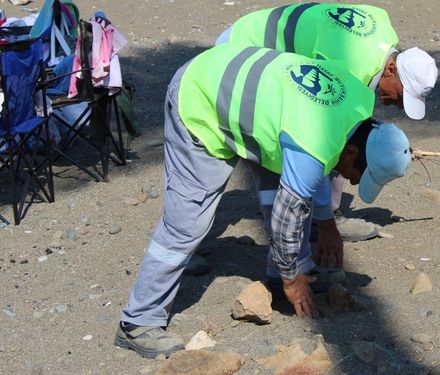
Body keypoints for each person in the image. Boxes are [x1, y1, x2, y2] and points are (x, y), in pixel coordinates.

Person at [114, 43, 412, 358]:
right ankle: (137, 321)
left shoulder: (361, 105)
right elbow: (287, 216)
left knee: (286, 193)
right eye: (358, 175)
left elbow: (307, 186)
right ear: (351, 151)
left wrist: (325, 229)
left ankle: (283, 275)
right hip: (201, 96)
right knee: (187, 223)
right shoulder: (313, 141)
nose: (352, 182)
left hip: (254, 98)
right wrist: (292, 279)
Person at [215, 3, 438, 243]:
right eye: (402, 96)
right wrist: (327, 224)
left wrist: (394, 148)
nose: (399, 106)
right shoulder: (350, 69)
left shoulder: (383, 33)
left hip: (254, 35)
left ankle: (317, 218)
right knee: (230, 151)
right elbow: (321, 139)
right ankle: (183, 241)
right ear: (391, 69)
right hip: (241, 50)